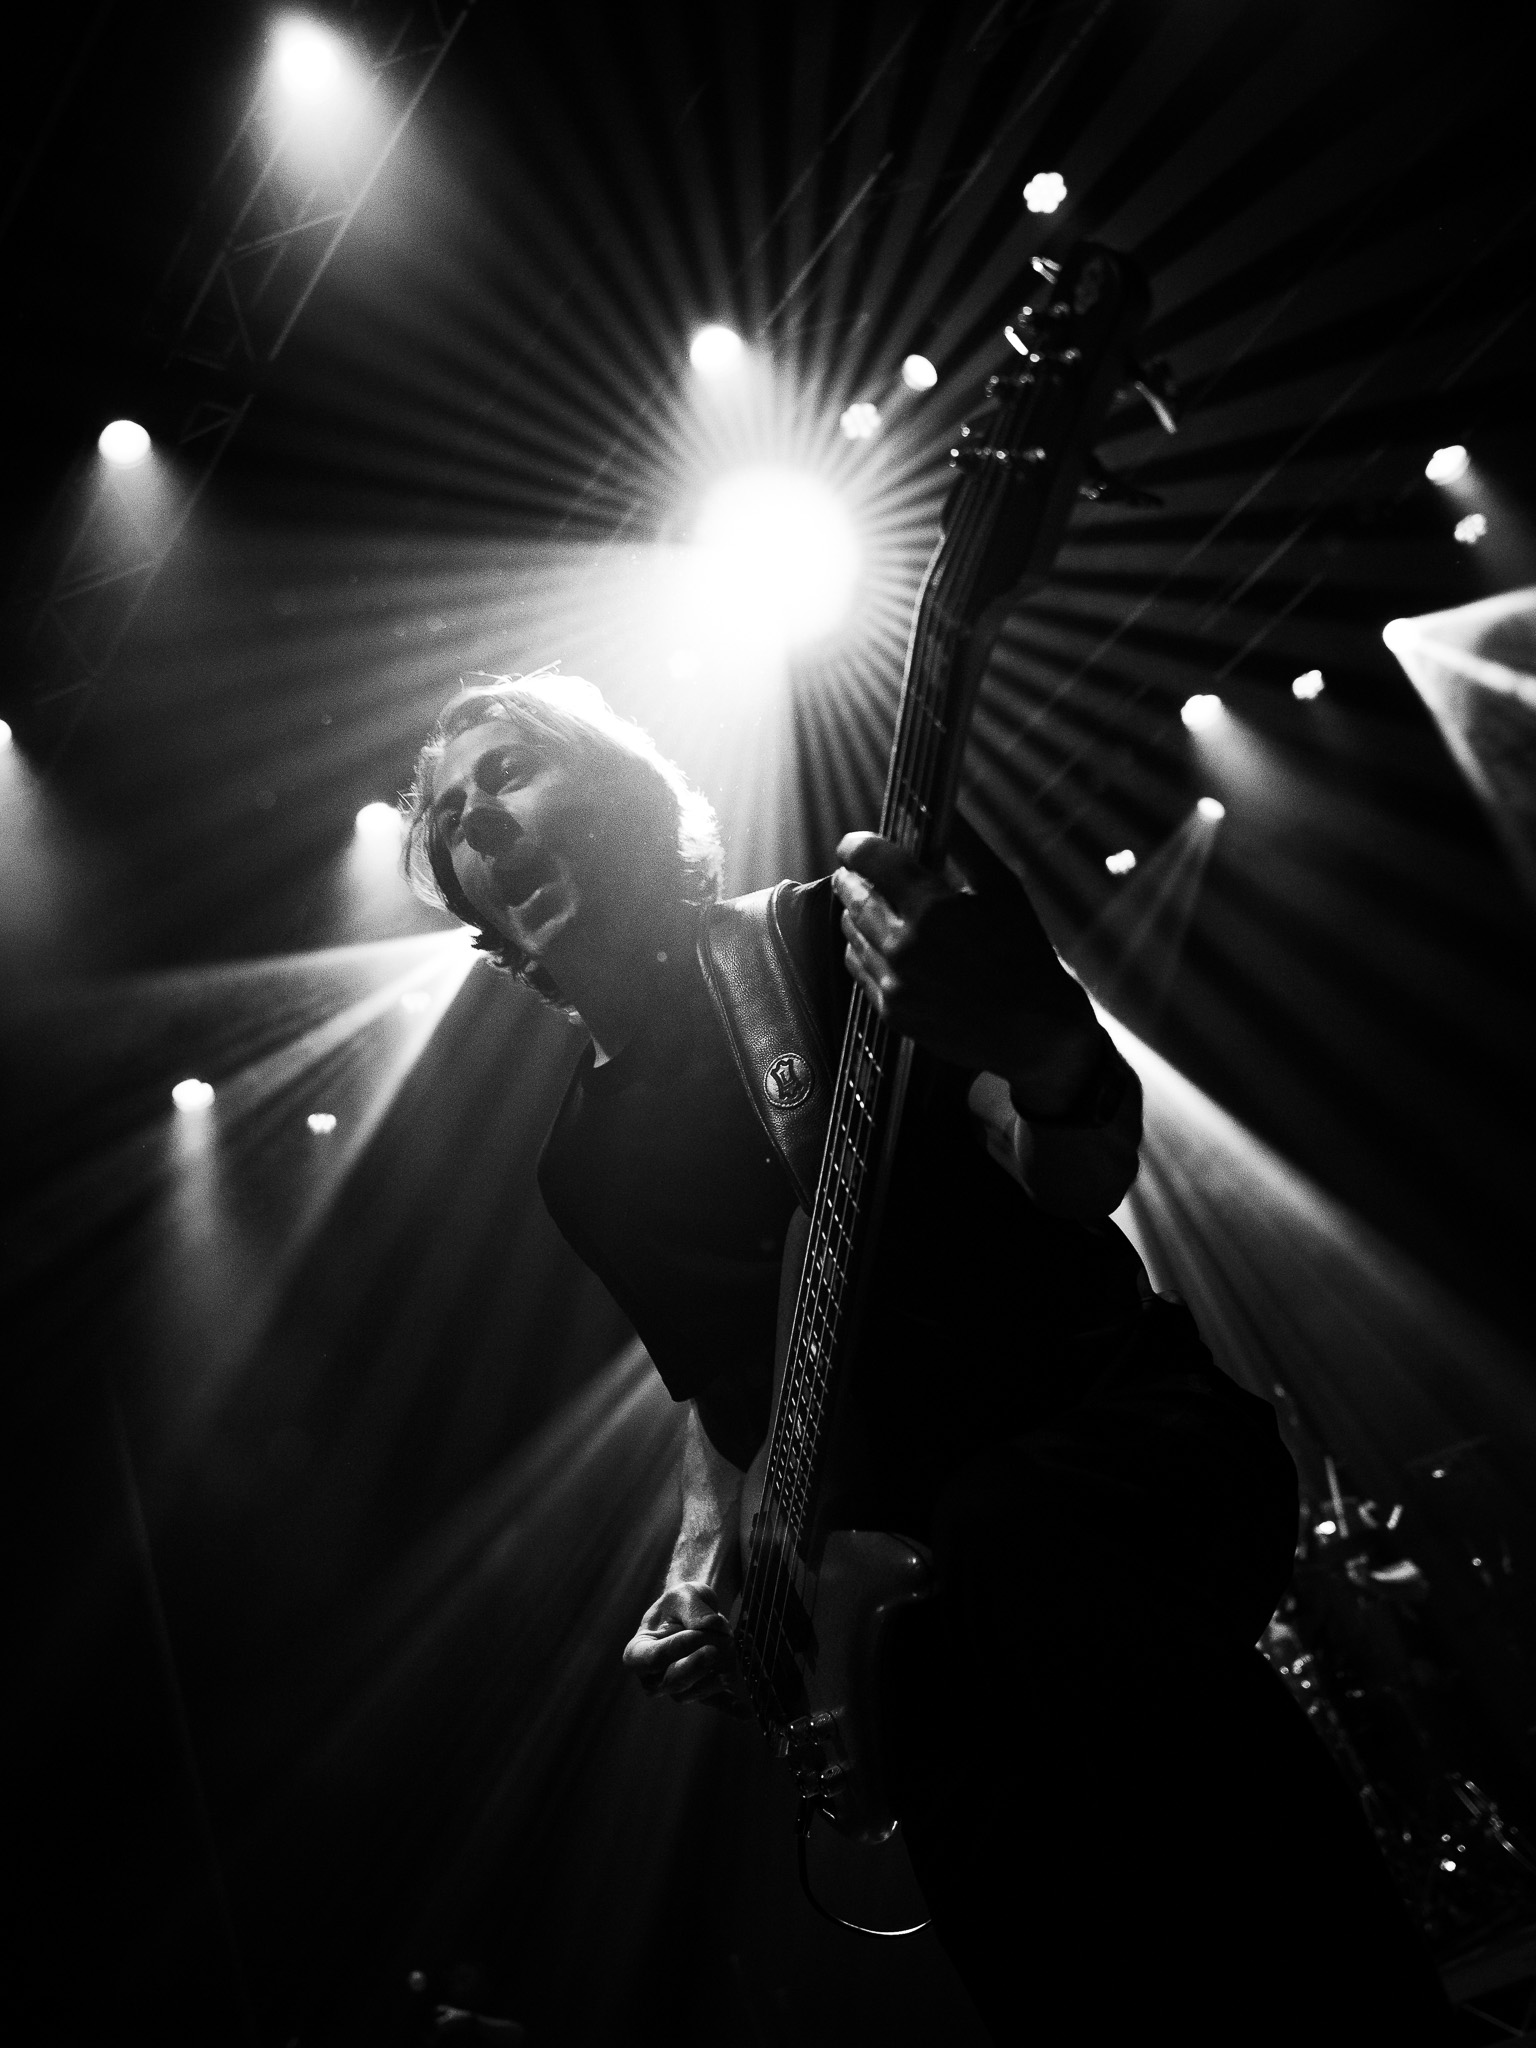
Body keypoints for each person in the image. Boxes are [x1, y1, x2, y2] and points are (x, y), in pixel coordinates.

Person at [402, 671, 1452, 2044]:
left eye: (509, 772)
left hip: (1114, 1460)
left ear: (628, 799)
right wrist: (703, 1573)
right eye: (449, 814)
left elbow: (1072, 1168)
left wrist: (1044, 1047)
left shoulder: (822, 945)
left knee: (1025, 1546)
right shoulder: (580, 1166)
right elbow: (719, 1395)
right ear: (472, 909)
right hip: (917, 1627)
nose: (478, 816)